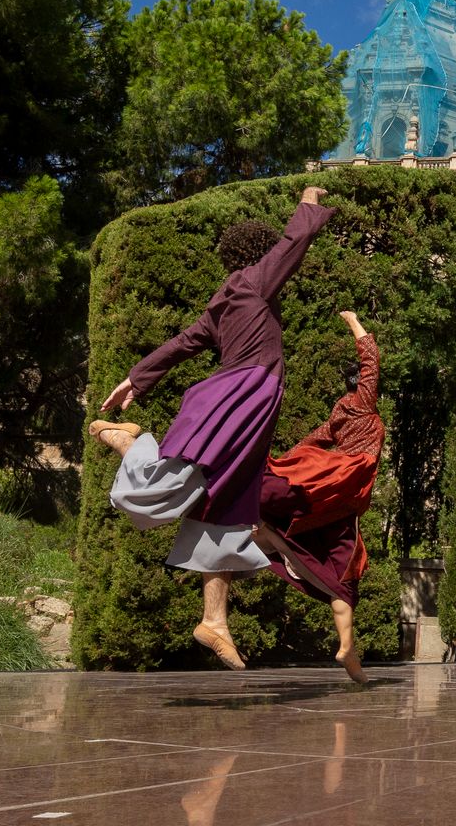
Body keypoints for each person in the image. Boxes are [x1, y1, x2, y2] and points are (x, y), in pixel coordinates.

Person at [89, 184, 334, 670]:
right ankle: (133, 443)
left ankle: (214, 620)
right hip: (239, 398)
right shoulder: (253, 282)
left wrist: (135, 379)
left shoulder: (223, 302)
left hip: (247, 404)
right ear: (259, 255)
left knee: (223, 512)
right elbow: (293, 244)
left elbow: (183, 343)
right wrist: (308, 201)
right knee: (166, 489)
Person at [254, 309, 384, 684]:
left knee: (343, 576)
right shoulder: (363, 403)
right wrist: (354, 321)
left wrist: (285, 464)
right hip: (345, 486)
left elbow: (313, 441)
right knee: (345, 575)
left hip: (336, 503)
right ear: (361, 385)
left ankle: (348, 649)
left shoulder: (339, 413)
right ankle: (347, 646)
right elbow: (371, 359)